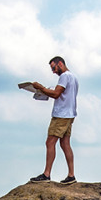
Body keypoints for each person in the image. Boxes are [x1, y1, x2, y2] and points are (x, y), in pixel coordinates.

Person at [29, 56, 78, 184]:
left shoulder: (65, 76)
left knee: (50, 142)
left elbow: (56, 94)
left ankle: (46, 174)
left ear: (60, 63)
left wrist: (41, 88)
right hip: (69, 114)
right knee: (65, 143)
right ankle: (71, 175)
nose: (53, 71)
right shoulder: (73, 77)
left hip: (61, 115)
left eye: (54, 68)